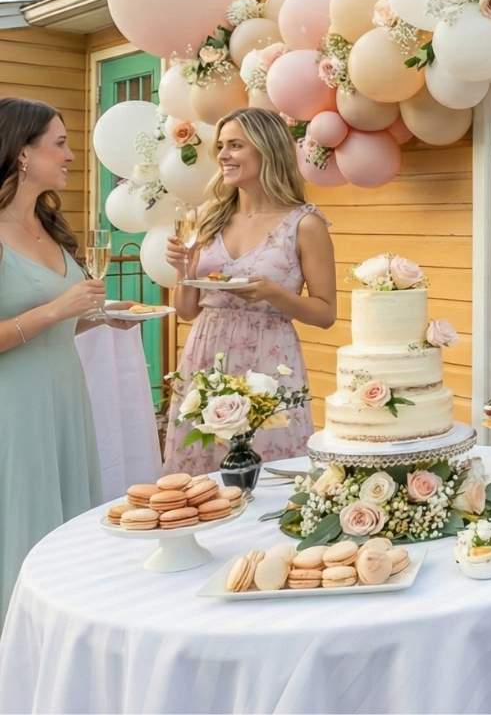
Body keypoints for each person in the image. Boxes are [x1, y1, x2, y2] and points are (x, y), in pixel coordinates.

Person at [0, 98, 134, 619]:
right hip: (15, 410)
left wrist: (99, 317)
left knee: (66, 536)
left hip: (65, 401)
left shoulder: (50, 226)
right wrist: (58, 308)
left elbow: (57, 325)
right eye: (60, 144)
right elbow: (46, 314)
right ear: (22, 153)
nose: (72, 156)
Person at [162, 107, 335, 474]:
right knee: (200, 472)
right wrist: (183, 270)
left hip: (269, 360)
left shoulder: (304, 224)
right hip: (206, 354)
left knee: (268, 472)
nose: (223, 155)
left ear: (267, 149)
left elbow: (325, 313)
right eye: (221, 146)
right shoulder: (206, 218)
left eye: (235, 145)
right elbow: (188, 310)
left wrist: (274, 294)